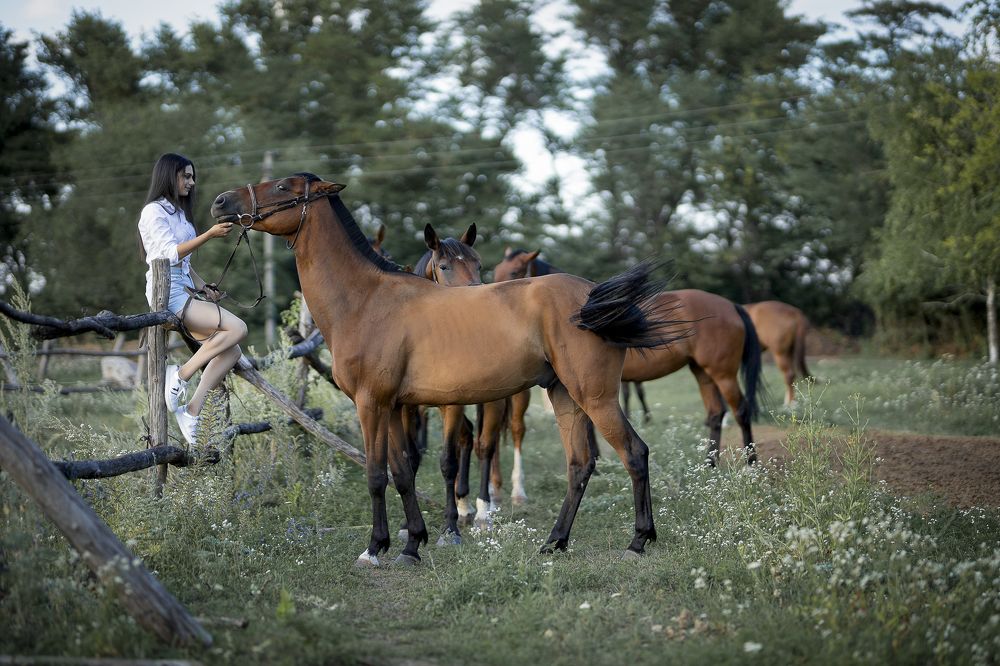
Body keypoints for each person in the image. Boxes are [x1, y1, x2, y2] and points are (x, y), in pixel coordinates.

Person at [137, 153, 248, 445]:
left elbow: (184, 264)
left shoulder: (179, 213)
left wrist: (203, 286)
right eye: (186, 176)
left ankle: (191, 411)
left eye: (192, 176)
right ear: (169, 175)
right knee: (238, 328)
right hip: (167, 293)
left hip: (185, 289)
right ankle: (181, 375)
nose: (191, 182)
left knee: (232, 351)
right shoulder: (153, 212)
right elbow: (170, 254)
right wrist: (210, 234)